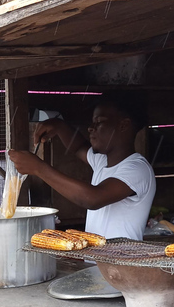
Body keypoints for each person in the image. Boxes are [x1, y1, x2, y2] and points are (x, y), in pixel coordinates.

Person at [8, 95, 156, 240]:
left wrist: (38, 168)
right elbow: (78, 147)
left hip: (122, 263)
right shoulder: (102, 162)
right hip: (98, 263)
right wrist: (59, 126)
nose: (91, 128)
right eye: (92, 122)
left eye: (99, 122)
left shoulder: (137, 169)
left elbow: (92, 199)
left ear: (123, 125)